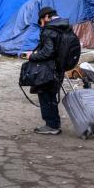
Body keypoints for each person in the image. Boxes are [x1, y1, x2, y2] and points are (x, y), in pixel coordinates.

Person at [26, 7, 70, 135]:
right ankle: (54, 123)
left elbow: (47, 52)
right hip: (60, 68)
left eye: (41, 20)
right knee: (51, 95)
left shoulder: (49, 30)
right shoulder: (65, 27)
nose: (41, 23)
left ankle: (51, 125)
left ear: (46, 17)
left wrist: (31, 56)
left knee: (45, 95)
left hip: (48, 69)